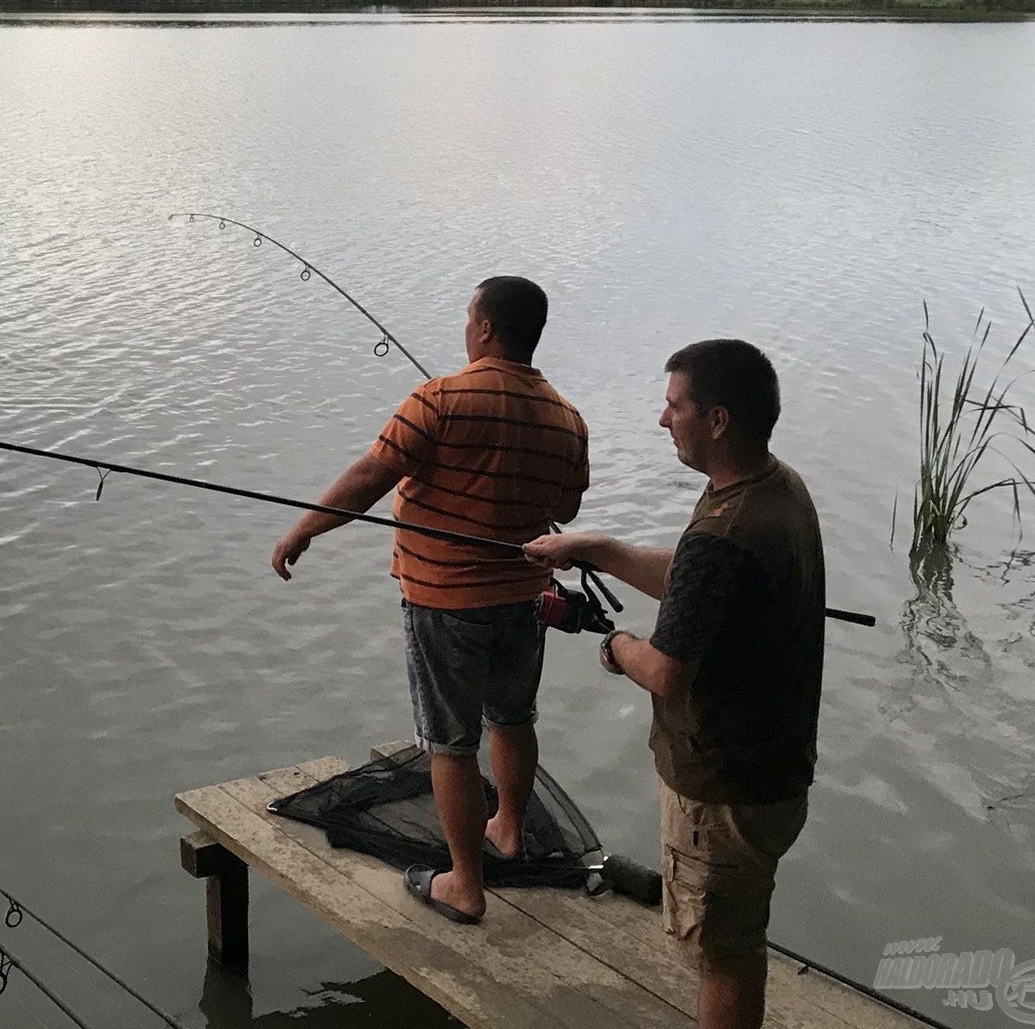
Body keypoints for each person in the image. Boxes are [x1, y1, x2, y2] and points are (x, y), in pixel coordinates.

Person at [271, 276, 589, 924]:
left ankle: (464, 884)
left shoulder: (439, 399)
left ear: (487, 330)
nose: (465, 328)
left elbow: (369, 476)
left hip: (445, 601)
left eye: (470, 318)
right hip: (526, 601)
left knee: (449, 742)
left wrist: (305, 528)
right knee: (514, 717)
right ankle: (508, 828)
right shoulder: (566, 417)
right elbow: (566, 508)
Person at [526, 340, 824, 1029]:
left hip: (721, 789)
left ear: (716, 420)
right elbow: (695, 585)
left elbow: (665, 670)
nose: (663, 420)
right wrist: (593, 548)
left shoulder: (726, 529)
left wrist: (617, 646)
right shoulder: (774, 489)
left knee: (720, 951)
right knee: (736, 940)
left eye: (674, 406)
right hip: (775, 770)